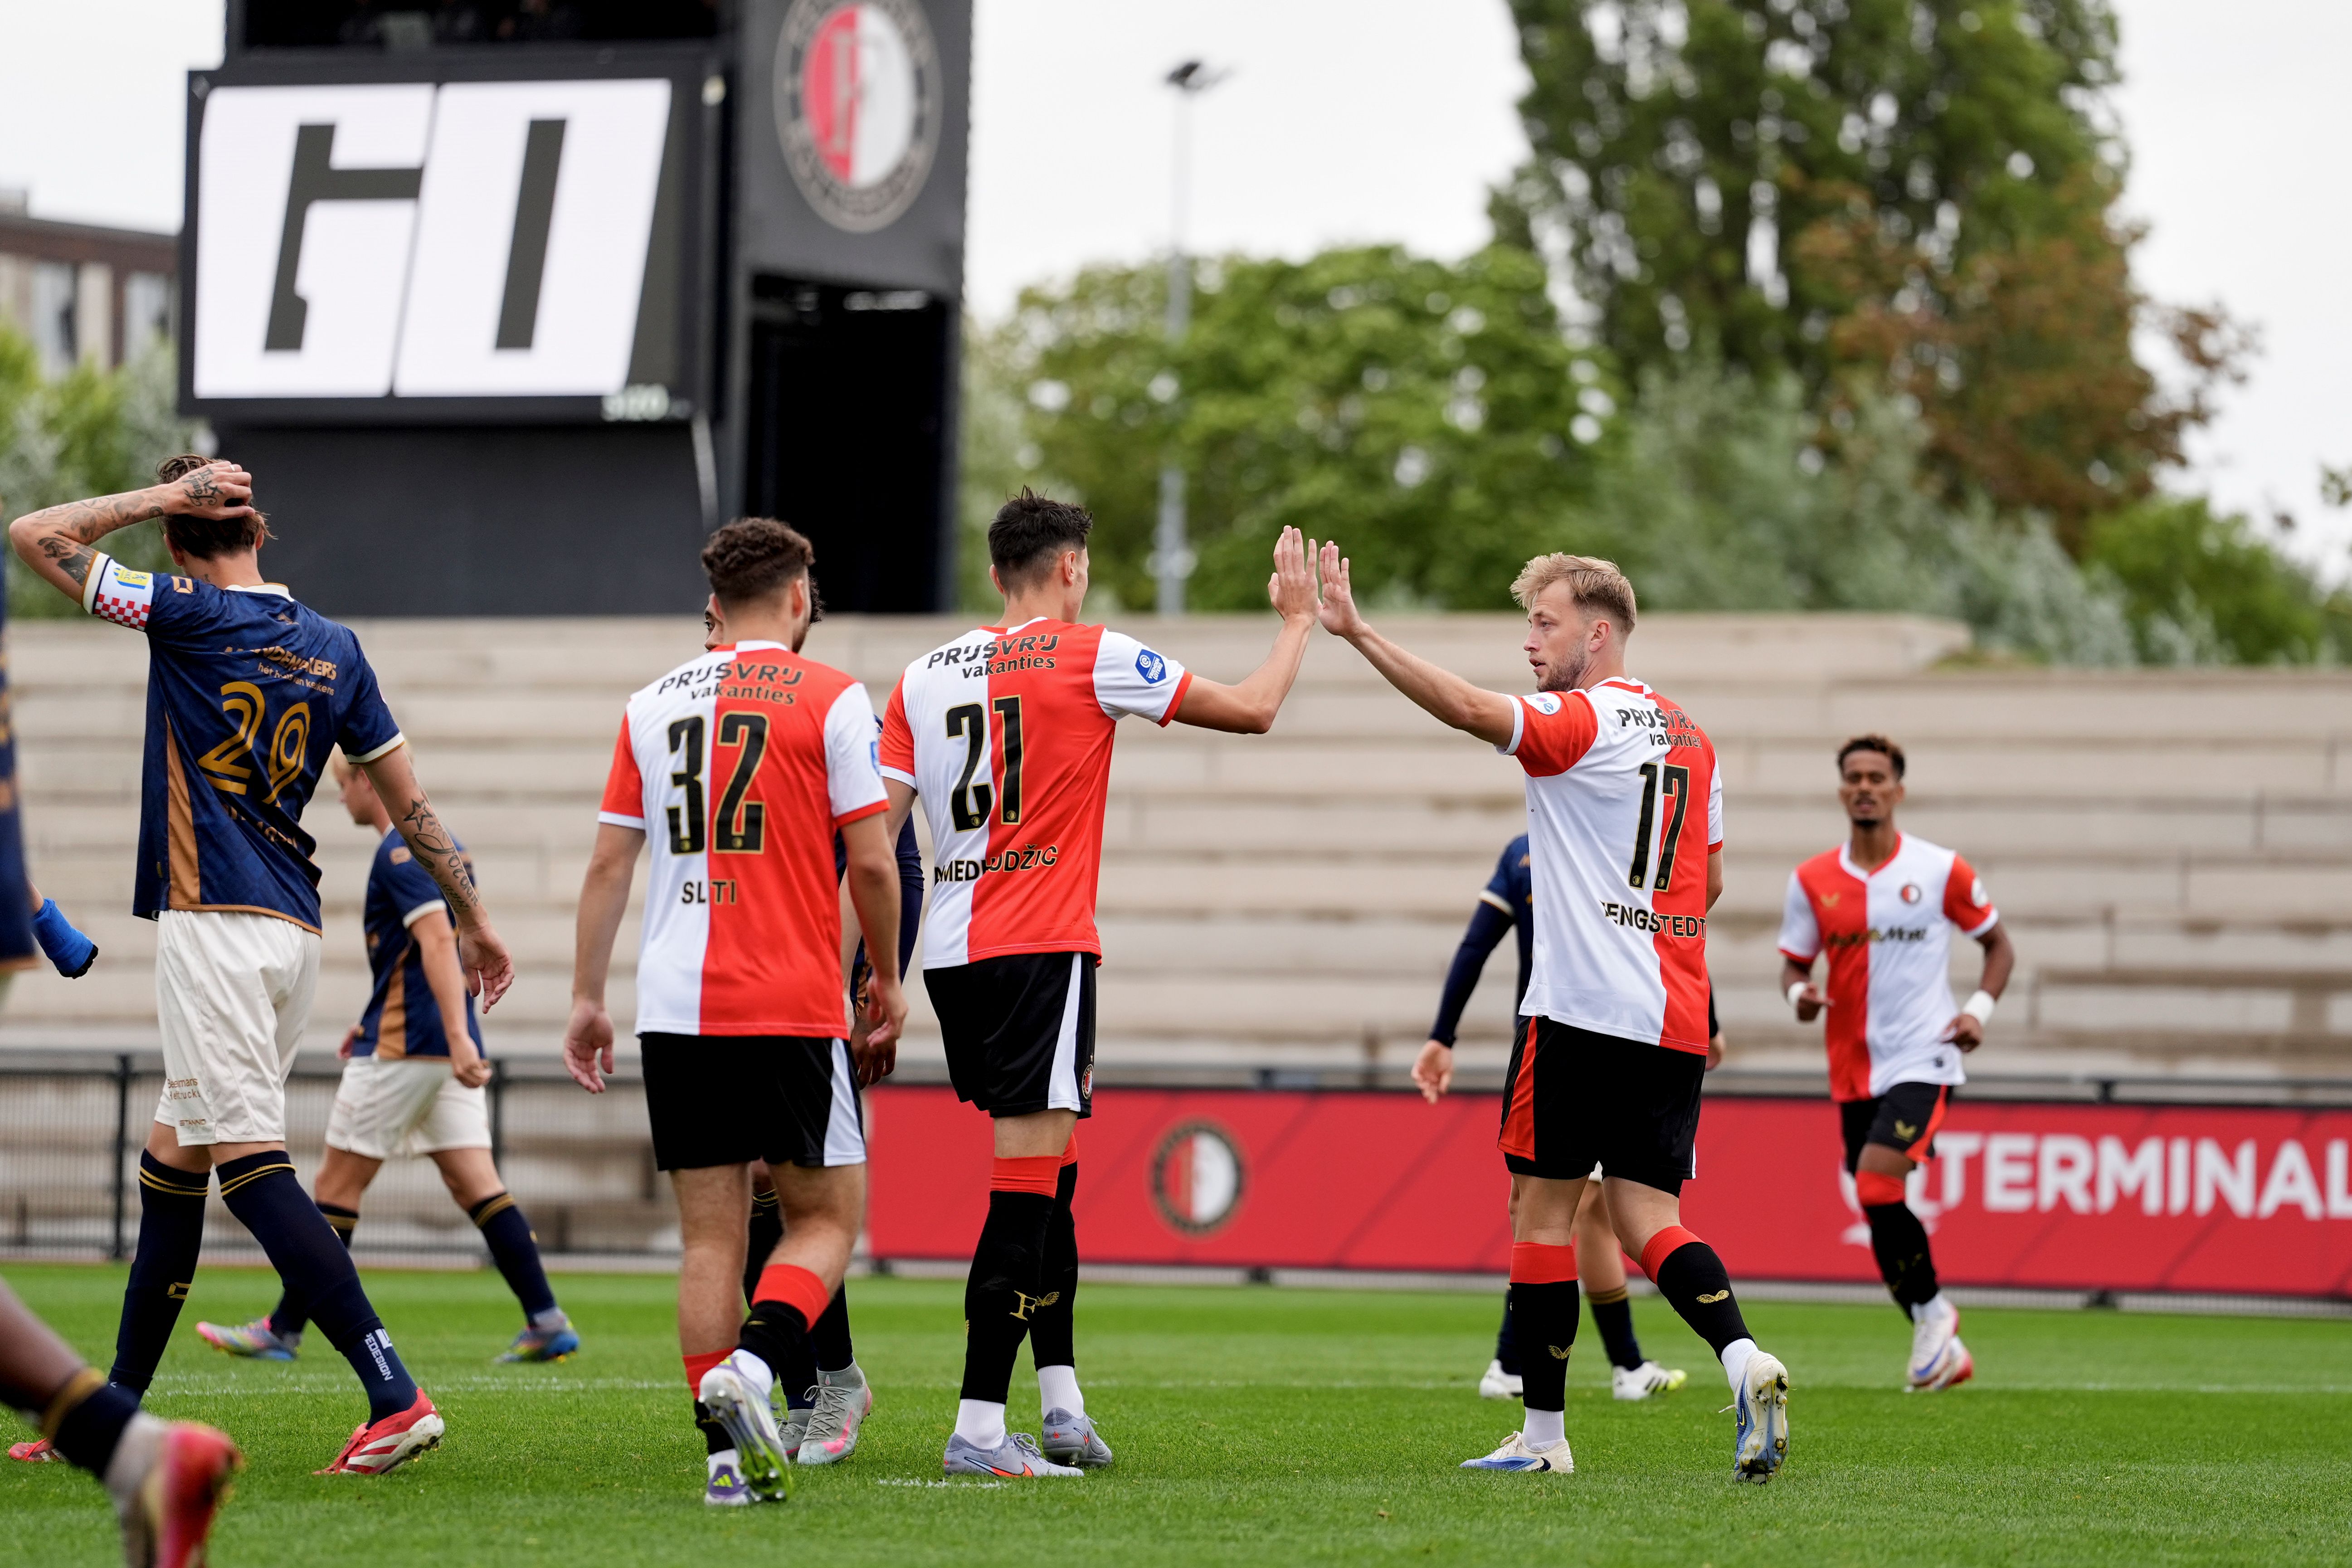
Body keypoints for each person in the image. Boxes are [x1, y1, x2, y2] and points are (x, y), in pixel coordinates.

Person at [5, 455, 514, 1476]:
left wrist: (153, 499)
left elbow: (33, 535)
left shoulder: (184, 611)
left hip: (216, 926)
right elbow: (409, 804)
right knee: (173, 1165)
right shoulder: (336, 646)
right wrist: (477, 914)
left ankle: (392, 1389)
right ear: (259, 536)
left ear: (182, 538)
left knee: (249, 1166)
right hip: (293, 936)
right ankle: (108, 1417)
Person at [1319, 545, 1790, 1483]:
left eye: (1545, 621)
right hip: (1670, 1018)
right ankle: (1744, 1359)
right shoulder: (1694, 741)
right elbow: (1714, 877)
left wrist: (1360, 632)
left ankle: (1540, 1440)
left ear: (1598, 631)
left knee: (1540, 1219)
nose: (1528, 639)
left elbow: (1465, 709)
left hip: (1576, 1012)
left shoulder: (1584, 719)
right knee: (1645, 1212)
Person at [875, 492, 1319, 1479]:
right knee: (1025, 1185)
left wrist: (874, 972)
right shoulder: (1093, 654)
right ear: (1070, 569)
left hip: (950, 954)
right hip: (1040, 945)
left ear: (996, 576)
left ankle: (1061, 1404)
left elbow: (876, 837)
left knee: (1055, 1169)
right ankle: (980, 1430)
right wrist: (1296, 624)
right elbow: (1252, 709)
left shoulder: (918, 677)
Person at [563, 517, 905, 1507]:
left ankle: (725, 1461)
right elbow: (874, 860)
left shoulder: (652, 702)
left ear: (717, 600)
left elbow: (607, 862)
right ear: (798, 597)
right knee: (827, 1218)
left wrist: (587, 997)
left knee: (710, 1239)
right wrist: (884, 975)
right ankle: (753, 1375)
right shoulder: (834, 695)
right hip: (789, 997)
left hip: (674, 1005)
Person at [194, 755, 575, 1367]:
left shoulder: (400, 852)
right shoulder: (448, 847)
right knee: (476, 1181)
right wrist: (415, 1026)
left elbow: (435, 941)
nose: (341, 798)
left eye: (343, 785)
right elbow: (419, 954)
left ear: (367, 780)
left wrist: (453, 1034)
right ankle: (546, 1317)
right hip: (431, 1042)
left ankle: (284, 1327)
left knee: (334, 1187)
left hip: (407, 1049)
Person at [1412, 832, 1705, 1403]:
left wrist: (1442, 1035)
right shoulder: (1609, 846)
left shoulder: (1532, 849)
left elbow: (1477, 944)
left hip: (1556, 1038)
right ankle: (1531, 1359)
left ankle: (1585, 1363)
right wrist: (1441, 1035)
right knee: (1554, 1207)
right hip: (1589, 1037)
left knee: (1566, 1208)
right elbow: (1679, 929)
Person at [1778, 735, 2012, 1393]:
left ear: (1896, 790)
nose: (1863, 786)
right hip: (1852, 1066)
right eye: (1852, 776)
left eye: (1876, 777)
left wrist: (1977, 1012)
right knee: (1873, 1196)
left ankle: (1936, 1313)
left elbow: (1998, 945)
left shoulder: (1939, 869)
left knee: (1878, 1185)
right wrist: (1799, 994)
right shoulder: (1812, 880)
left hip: (1926, 1054)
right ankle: (1935, 1330)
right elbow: (1793, 964)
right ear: (1840, 790)